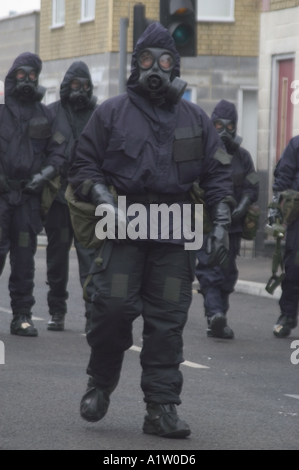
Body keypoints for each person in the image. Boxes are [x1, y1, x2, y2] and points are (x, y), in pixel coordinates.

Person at [69, 23, 235, 438]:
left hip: (175, 229)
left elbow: (217, 175)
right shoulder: (111, 112)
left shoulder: (196, 118)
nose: (155, 68)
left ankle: (161, 409)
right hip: (123, 224)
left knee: (166, 322)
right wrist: (103, 196)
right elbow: (83, 164)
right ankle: (101, 383)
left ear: (175, 66)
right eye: (146, 60)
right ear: (134, 65)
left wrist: (220, 222)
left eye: (164, 61)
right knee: (110, 309)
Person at [0, 52, 66, 337]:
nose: (27, 81)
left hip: (28, 199)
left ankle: (22, 316)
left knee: (25, 259)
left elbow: (60, 152)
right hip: (1, 198)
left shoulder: (47, 115)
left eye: (32, 76)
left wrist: (44, 176)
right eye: (22, 75)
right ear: (12, 76)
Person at [196, 100, 259, 339]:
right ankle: (214, 315)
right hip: (206, 223)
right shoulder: (203, 153)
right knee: (210, 269)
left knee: (228, 273)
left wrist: (242, 206)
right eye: (218, 124)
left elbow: (253, 186)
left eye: (229, 126)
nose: (223, 130)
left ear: (235, 127)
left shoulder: (243, 157)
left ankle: (219, 316)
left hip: (232, 227)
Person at [45, 62, 98, 332]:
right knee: (57, 256)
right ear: (67, 86)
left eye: (85, 85)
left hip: (87, 199)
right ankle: (57, 310)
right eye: (76, 85)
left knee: (90, 256)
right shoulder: (52, 113)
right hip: (58, 199)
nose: (81, 90)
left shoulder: (99, 115)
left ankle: (92, 313)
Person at [269, 136, 299, 338]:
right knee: (294, 268)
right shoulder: (297, 144)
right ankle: (287, 316)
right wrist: (276, 207)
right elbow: (284, 174)